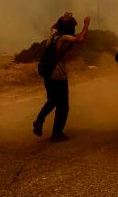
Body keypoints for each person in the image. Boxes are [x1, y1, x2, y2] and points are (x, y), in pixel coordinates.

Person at [33, 12, 91, 142]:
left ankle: (39, 119)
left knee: (52, 100)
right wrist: (86, 24)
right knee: (63, 105)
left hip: (47, 74)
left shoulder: (53, 35)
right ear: (70, 28)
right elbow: (80, 39)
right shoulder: (64, 38)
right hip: (58, 76)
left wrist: (63, 17)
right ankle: (57, 133)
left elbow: (53, 26)